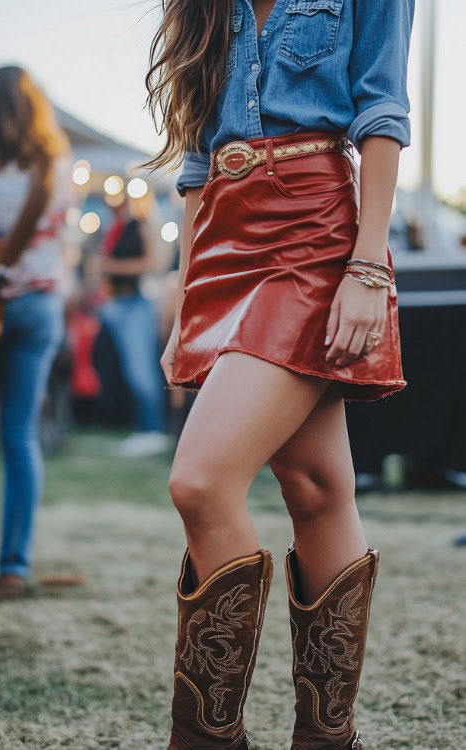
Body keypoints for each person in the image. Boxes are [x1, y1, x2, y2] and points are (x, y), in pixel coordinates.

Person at [145, 1, 415, 748]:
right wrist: (184, 301)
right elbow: (198, 163)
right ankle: (329, 743)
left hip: (314, 228)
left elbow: (382, 108)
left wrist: (366, 265)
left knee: (200, 482)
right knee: (317, 487)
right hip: (225, 239)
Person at [0, 66, 72, 604]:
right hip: (42, 306)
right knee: (18, 438)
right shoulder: (56, 164)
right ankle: (12, 568)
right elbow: (65, 247)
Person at [97, 200, 168, 456]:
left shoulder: (141, 225)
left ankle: (152, 428)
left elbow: (152, 263)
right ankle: (139, 426)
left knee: (140, 369)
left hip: (136, 302)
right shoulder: (112, 229)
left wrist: (111, 267)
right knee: (125, 368)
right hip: (115, 302)